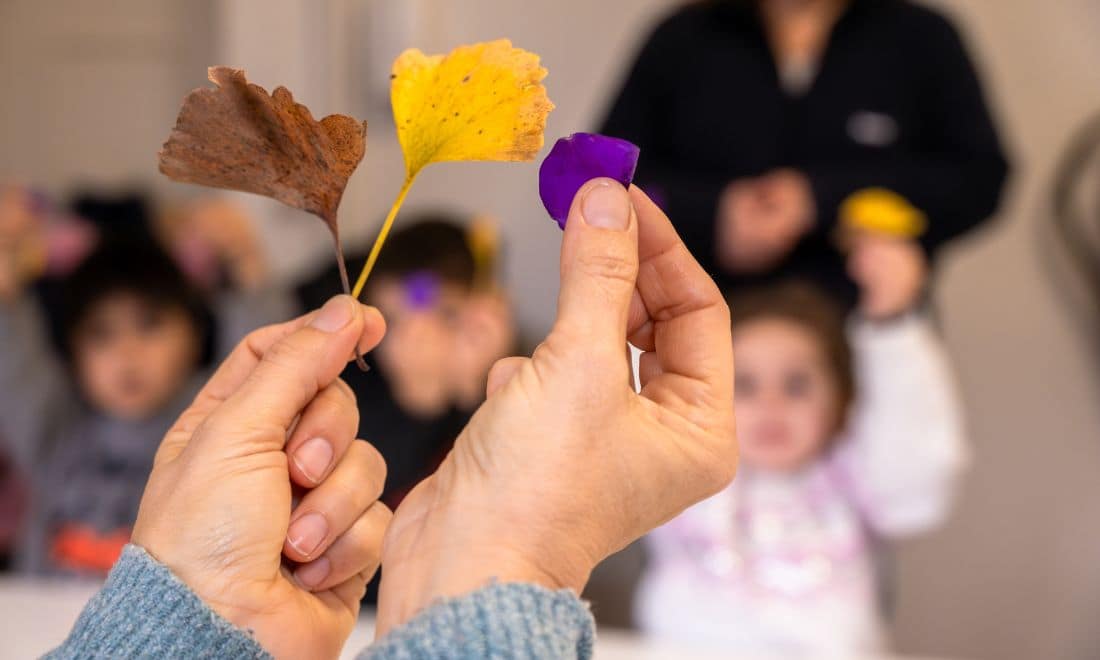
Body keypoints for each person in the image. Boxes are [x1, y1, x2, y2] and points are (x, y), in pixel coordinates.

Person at [45, 180, 736, 659]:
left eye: (445, 306)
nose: (424, 332)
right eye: (407, 306)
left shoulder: (531, 381)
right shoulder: (350, 388)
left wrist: (477, 404)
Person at [635, 236, 966, 653]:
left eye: (796, 385)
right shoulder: (685, 476)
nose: (771, 405)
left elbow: (916, 479)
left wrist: (891, 329)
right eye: (746, 385)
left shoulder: (856, 477)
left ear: (840, 398)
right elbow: (630, 413)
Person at [600, 0, 1009, 307]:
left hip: (864, 329)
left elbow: (978, 177)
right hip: (700, 321)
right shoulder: (683, 38)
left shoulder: (922, 39)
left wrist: (821, 199)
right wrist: (714, 213)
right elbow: (609, 177)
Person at [0, 189, 293, 575]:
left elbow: (264, 367)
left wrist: (245, 260)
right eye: (101, 334)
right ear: (73, 353)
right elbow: (13, 364)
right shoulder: (54, 432)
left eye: (149, 324)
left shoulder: (211, 427)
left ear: (194, 334)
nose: (127, 353)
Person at [297, 216, 515, 511]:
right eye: (392, 319)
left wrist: (473, 392)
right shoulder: (354, 369)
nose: (413, 340)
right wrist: (419, 401)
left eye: (447, 317)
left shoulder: (523, 387)